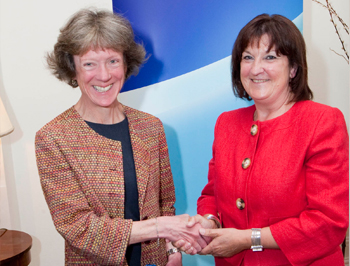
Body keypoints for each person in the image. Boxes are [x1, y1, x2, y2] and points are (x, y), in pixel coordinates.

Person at [35, 8, 206, 266]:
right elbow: (77, 227)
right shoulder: (53, 138)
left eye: (113, 61)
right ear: (73, 69)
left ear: (126, 64)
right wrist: (162, 228)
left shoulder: (151, 128)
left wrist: (172, 251)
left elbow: (165, 203)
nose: (104, 75)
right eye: (89, 63)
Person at [175, 14, 349, 265]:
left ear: (293, 68)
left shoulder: (322, 121)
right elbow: (212, 194)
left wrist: (249, 239)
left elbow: (328, 222)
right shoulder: (227, 123)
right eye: (248, 57)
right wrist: (208, 222)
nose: (256, 69)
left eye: (270, 57)